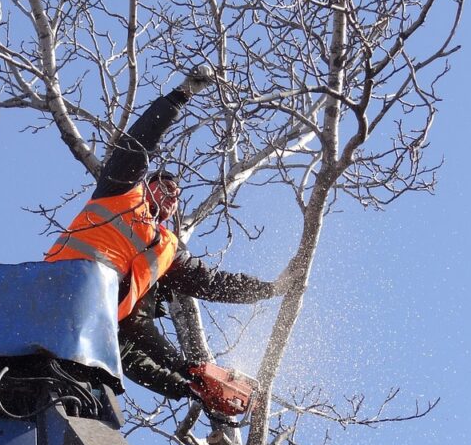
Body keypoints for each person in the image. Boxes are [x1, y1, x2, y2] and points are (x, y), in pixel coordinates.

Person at [45, 66, 295, 400]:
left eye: (177, 195)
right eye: (165, 186)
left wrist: (270, 289)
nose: (172, 196)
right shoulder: (120, 192)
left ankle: (196, 381)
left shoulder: (164, 250)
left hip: (90, 323)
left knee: (124, 365)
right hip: (56, 290)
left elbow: (212, 284)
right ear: (146, 185)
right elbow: (138, 143)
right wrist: (180, 96)